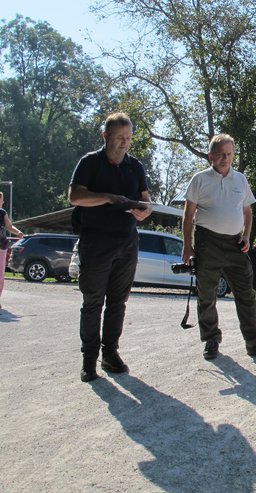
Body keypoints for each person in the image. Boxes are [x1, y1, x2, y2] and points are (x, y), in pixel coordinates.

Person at [69, 112, 152, 382]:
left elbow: (146, 201)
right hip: (95, 241)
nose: (124, 143)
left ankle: (111, 353)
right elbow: (74, 197)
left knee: (119, 301)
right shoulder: (90, 163)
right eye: (119, 138)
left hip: (127, 241)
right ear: (106, 136)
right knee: (93, 302)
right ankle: (89, 359)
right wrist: (106, 197)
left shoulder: (135, 166)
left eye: (128, 138)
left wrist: (143, 212)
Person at [182, 133, 256, 359]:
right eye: (220, 154)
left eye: (229, 154)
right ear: (210, 156)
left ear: (233, 155)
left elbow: (247, 211)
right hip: (208, 242)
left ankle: (254, 342)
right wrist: (188, 246)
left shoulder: (240, 180)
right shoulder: (200, 179)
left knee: (246, 292)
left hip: (235, 243)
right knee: (207, 294)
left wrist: (246, 236)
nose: (225, 158)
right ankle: (211, 340)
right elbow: (188, 217)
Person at [0, 191, 24, 310]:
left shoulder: (2, 213)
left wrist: (18, 232)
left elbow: (9, 227)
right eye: (1, 200)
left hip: (1, 247)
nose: (3, 202)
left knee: (0, 277)